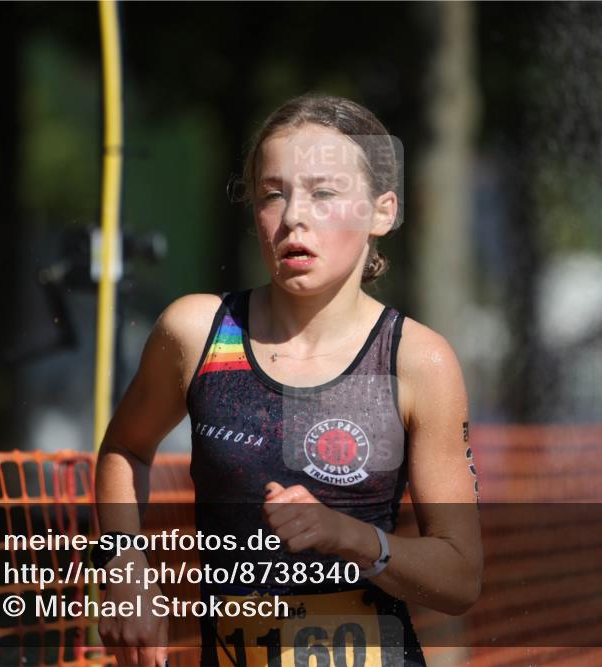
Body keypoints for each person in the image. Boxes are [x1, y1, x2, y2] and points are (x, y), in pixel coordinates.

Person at [94, 93, 483, 667]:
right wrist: (122, 568)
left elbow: (460, 577)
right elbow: (125, 449)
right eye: (274, 194)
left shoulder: (416, 362)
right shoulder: (198, 331)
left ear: (382, 212)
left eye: (325, 193)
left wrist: (351, 539)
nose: (295, 215)